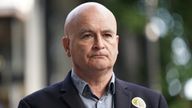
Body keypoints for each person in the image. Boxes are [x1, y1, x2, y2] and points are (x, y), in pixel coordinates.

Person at [18, 2, 168, 108]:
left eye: (107, 35)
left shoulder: (153, 103)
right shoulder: (35, 105)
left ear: (116, 44)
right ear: (67, 46)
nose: (99, 44)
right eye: (87, 35)